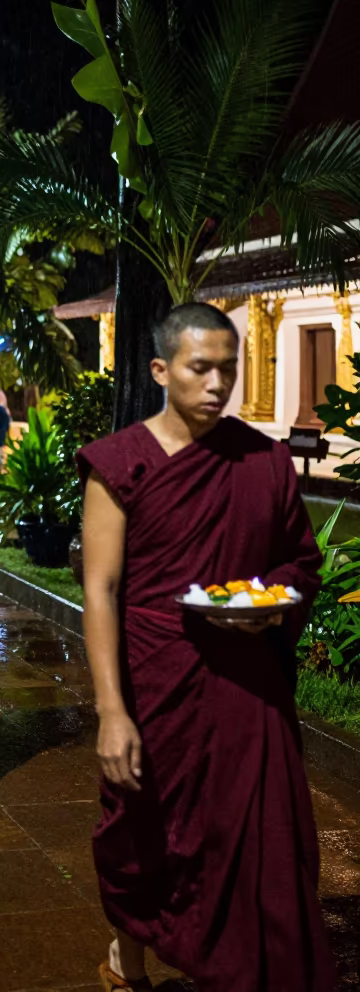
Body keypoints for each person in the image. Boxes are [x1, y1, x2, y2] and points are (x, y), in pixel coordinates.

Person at [78, 302, 334, 992]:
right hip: (155, 678)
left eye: (230, 368)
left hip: (248, 685)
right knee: (146, 837)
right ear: (162, 370)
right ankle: (126, 959)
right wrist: (111, 711)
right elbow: (100, 591)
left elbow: (298, 565)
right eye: (200, 368)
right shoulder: (119, 465)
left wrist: (270, 606)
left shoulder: (264, 460)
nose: (218, 384)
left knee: (264, 850)